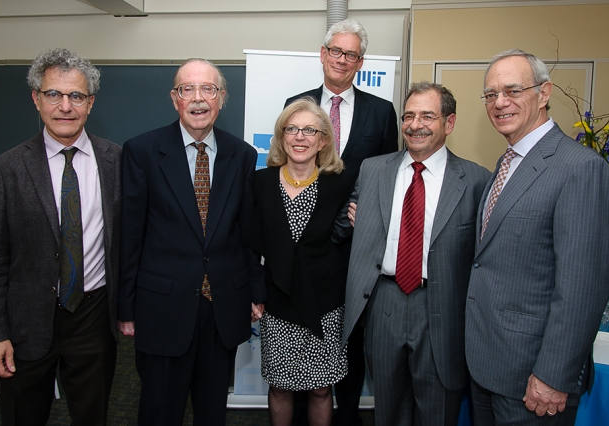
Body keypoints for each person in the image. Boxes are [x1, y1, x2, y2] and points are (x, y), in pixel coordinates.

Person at [465, 49, 609, 426]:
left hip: (534, 379)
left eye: (513, 90)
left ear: (544, 93)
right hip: (487, 367)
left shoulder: (581, 169)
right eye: (490, 94)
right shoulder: (506, 162)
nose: (500, 102)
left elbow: (582, 288)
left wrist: (552, 375)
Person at [117, 58, 266, 426]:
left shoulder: (242, 155)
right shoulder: (142, 151)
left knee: (211, 410)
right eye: (188, 89)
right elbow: (130, 235)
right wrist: (126, 308)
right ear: (174, 98)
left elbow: (247, 233)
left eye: (208, 89)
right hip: (162, 307)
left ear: (221, 98)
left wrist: (256, 292)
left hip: (223, 307)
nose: (198, 99)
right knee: (159, 411)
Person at [0, 48, 121, 426]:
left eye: (76, 96)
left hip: (93, 316)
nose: (65, 106)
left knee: (92, 417)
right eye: (53, 94)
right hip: (26, 324)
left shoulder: (118, 162)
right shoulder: (7, 168)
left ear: (90, 103)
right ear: (36, 99)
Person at [338, 82, 490, 426]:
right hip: (384, 304)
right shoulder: (373, 169)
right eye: (408, 115)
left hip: (442, 309)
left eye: (427, 116)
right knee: (387, 410)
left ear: (448, 123)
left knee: (437, 412)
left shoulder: (476, 180)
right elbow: (355, 227)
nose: (414, 124)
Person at [285, 18, 399, 426]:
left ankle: (348, 417)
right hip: (303, 246)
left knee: (350, 343)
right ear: (323, 55)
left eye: (351, 54)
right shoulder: (296, 103)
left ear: (360, 61)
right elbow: (287, 168)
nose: (342, 59)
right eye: (336, 51)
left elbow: (389, 175)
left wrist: (355, 222)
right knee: (300, 342)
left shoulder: (382, 112)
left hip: (356, 248)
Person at [245, 98, 350, 426]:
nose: (300, 137)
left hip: (326, 301)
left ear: (323, 141)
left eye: (309, 130)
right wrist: (254, 291)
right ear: (281, 137)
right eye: (292, 129)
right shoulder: (260, 183)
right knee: (279, 387)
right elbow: (249, 244)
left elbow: (348, 241)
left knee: (321, 389)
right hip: (278, 298)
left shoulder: (340, 184)